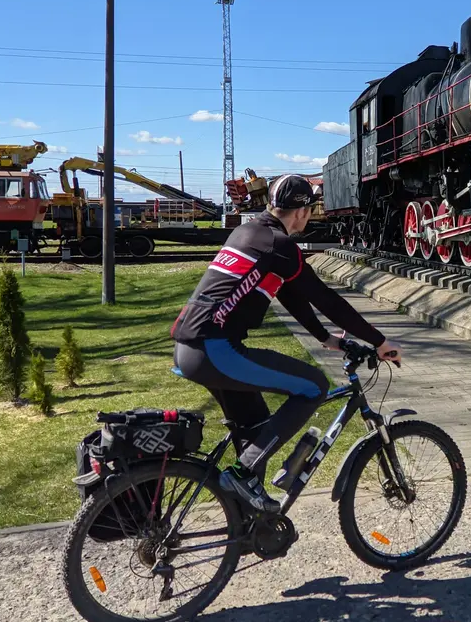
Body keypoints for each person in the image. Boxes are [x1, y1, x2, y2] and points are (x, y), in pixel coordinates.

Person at [170, 174, 401, 513]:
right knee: (313, 386)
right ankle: (241, 472)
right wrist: (380, 341)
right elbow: (327, 300)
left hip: (191, 348)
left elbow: (292, 294)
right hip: (215, 349)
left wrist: (325, 338)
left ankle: (246, 520)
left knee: (257, 426)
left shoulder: (250, 233)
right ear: (302, 212)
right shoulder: (280, 245)